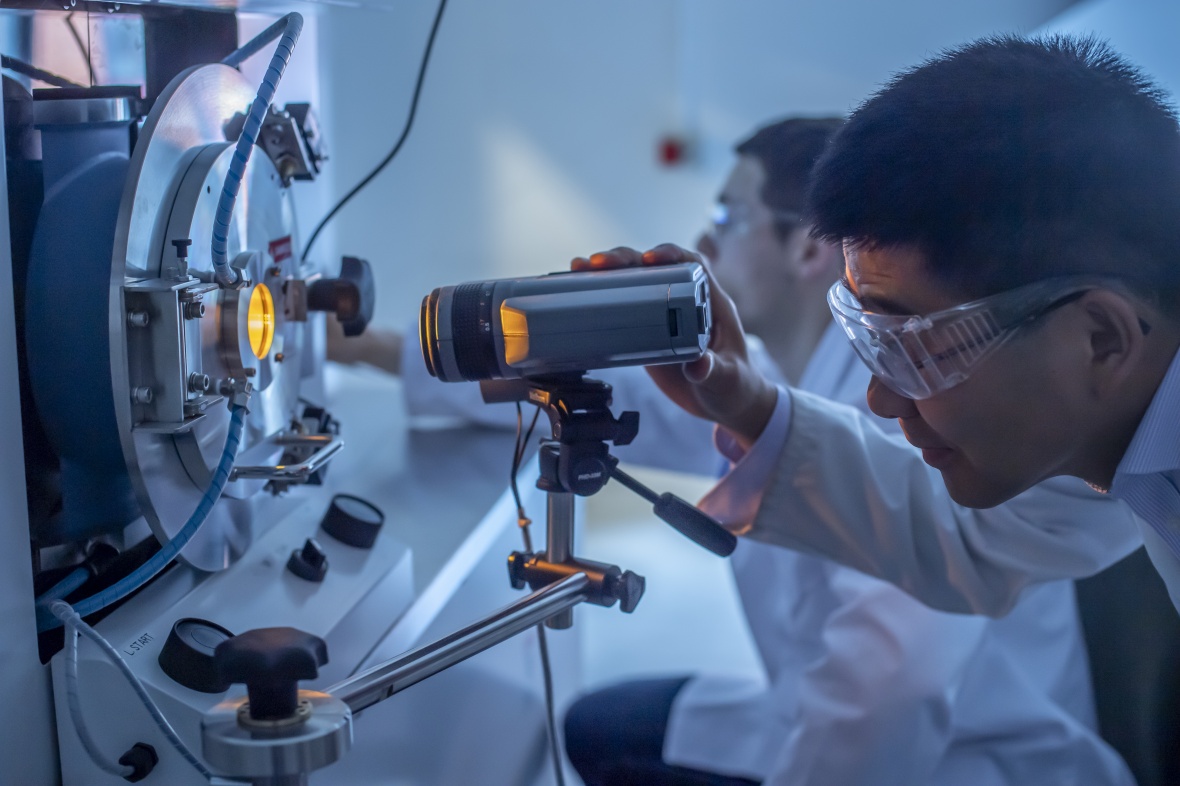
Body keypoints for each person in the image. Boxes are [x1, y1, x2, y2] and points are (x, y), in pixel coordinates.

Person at [333, 118, 1139, 784]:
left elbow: (887, 693)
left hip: (959, 759)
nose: (700, 242)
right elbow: (647, 404)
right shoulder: (791, 371)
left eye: (727, 219)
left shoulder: (936, 411)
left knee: (601, 737)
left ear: (809, 250)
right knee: (595, 724)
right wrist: (370, 347)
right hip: (814, 706)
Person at [578, 35, 1180, 617]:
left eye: (919, 347)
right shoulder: (1105, 426)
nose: (884, 399)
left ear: (1102, 340)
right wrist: (751, 405)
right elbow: (961, 536)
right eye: (870, 337)